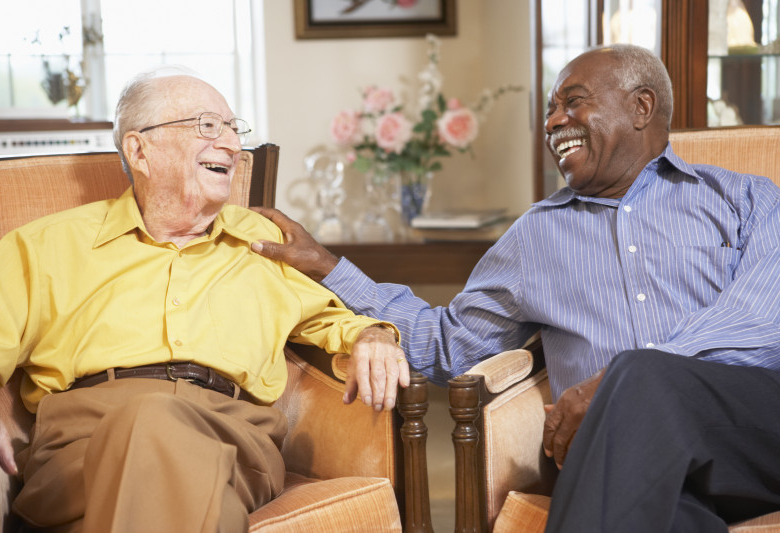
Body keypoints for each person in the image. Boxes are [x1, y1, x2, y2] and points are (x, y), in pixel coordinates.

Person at [250, 44, 780, 531]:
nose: (552, 122)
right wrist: (328, 266)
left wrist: (611, 388)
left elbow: (763, 319)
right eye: (550, 110)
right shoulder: (537, 236)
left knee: (639, 375)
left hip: (751, 436)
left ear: (642, 108)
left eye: (573, 102)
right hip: (620, 460)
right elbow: (450, 345)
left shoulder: (747, 199)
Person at [0, 70, 409, 533]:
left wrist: (374, 334)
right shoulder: (42, 246)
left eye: (233, 128)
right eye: (208, 126)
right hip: (82, 441)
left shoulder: (262, 242)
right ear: (138, 150)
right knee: (194, 491)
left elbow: (333, 320)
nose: (232, 145)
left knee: (156, 426)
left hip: (232, 436)